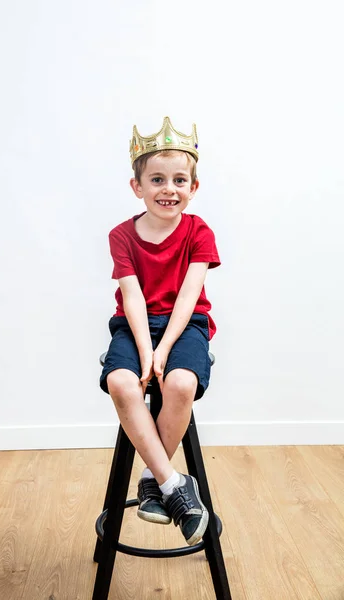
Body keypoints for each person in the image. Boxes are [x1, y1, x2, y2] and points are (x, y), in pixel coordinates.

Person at [100, 117, 221, 546]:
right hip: (134, 327)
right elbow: (132, 298)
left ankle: (154, 481)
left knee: (181, 382)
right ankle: (175, 485)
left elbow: (189, 298)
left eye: (179, 180)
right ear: (137, 186)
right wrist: (145, 349)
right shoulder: (121, 236)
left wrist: (164, 348)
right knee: (121, 382)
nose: (168, 188)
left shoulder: (198, 231)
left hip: (185, 325)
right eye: (157, 179)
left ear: (193, 187)